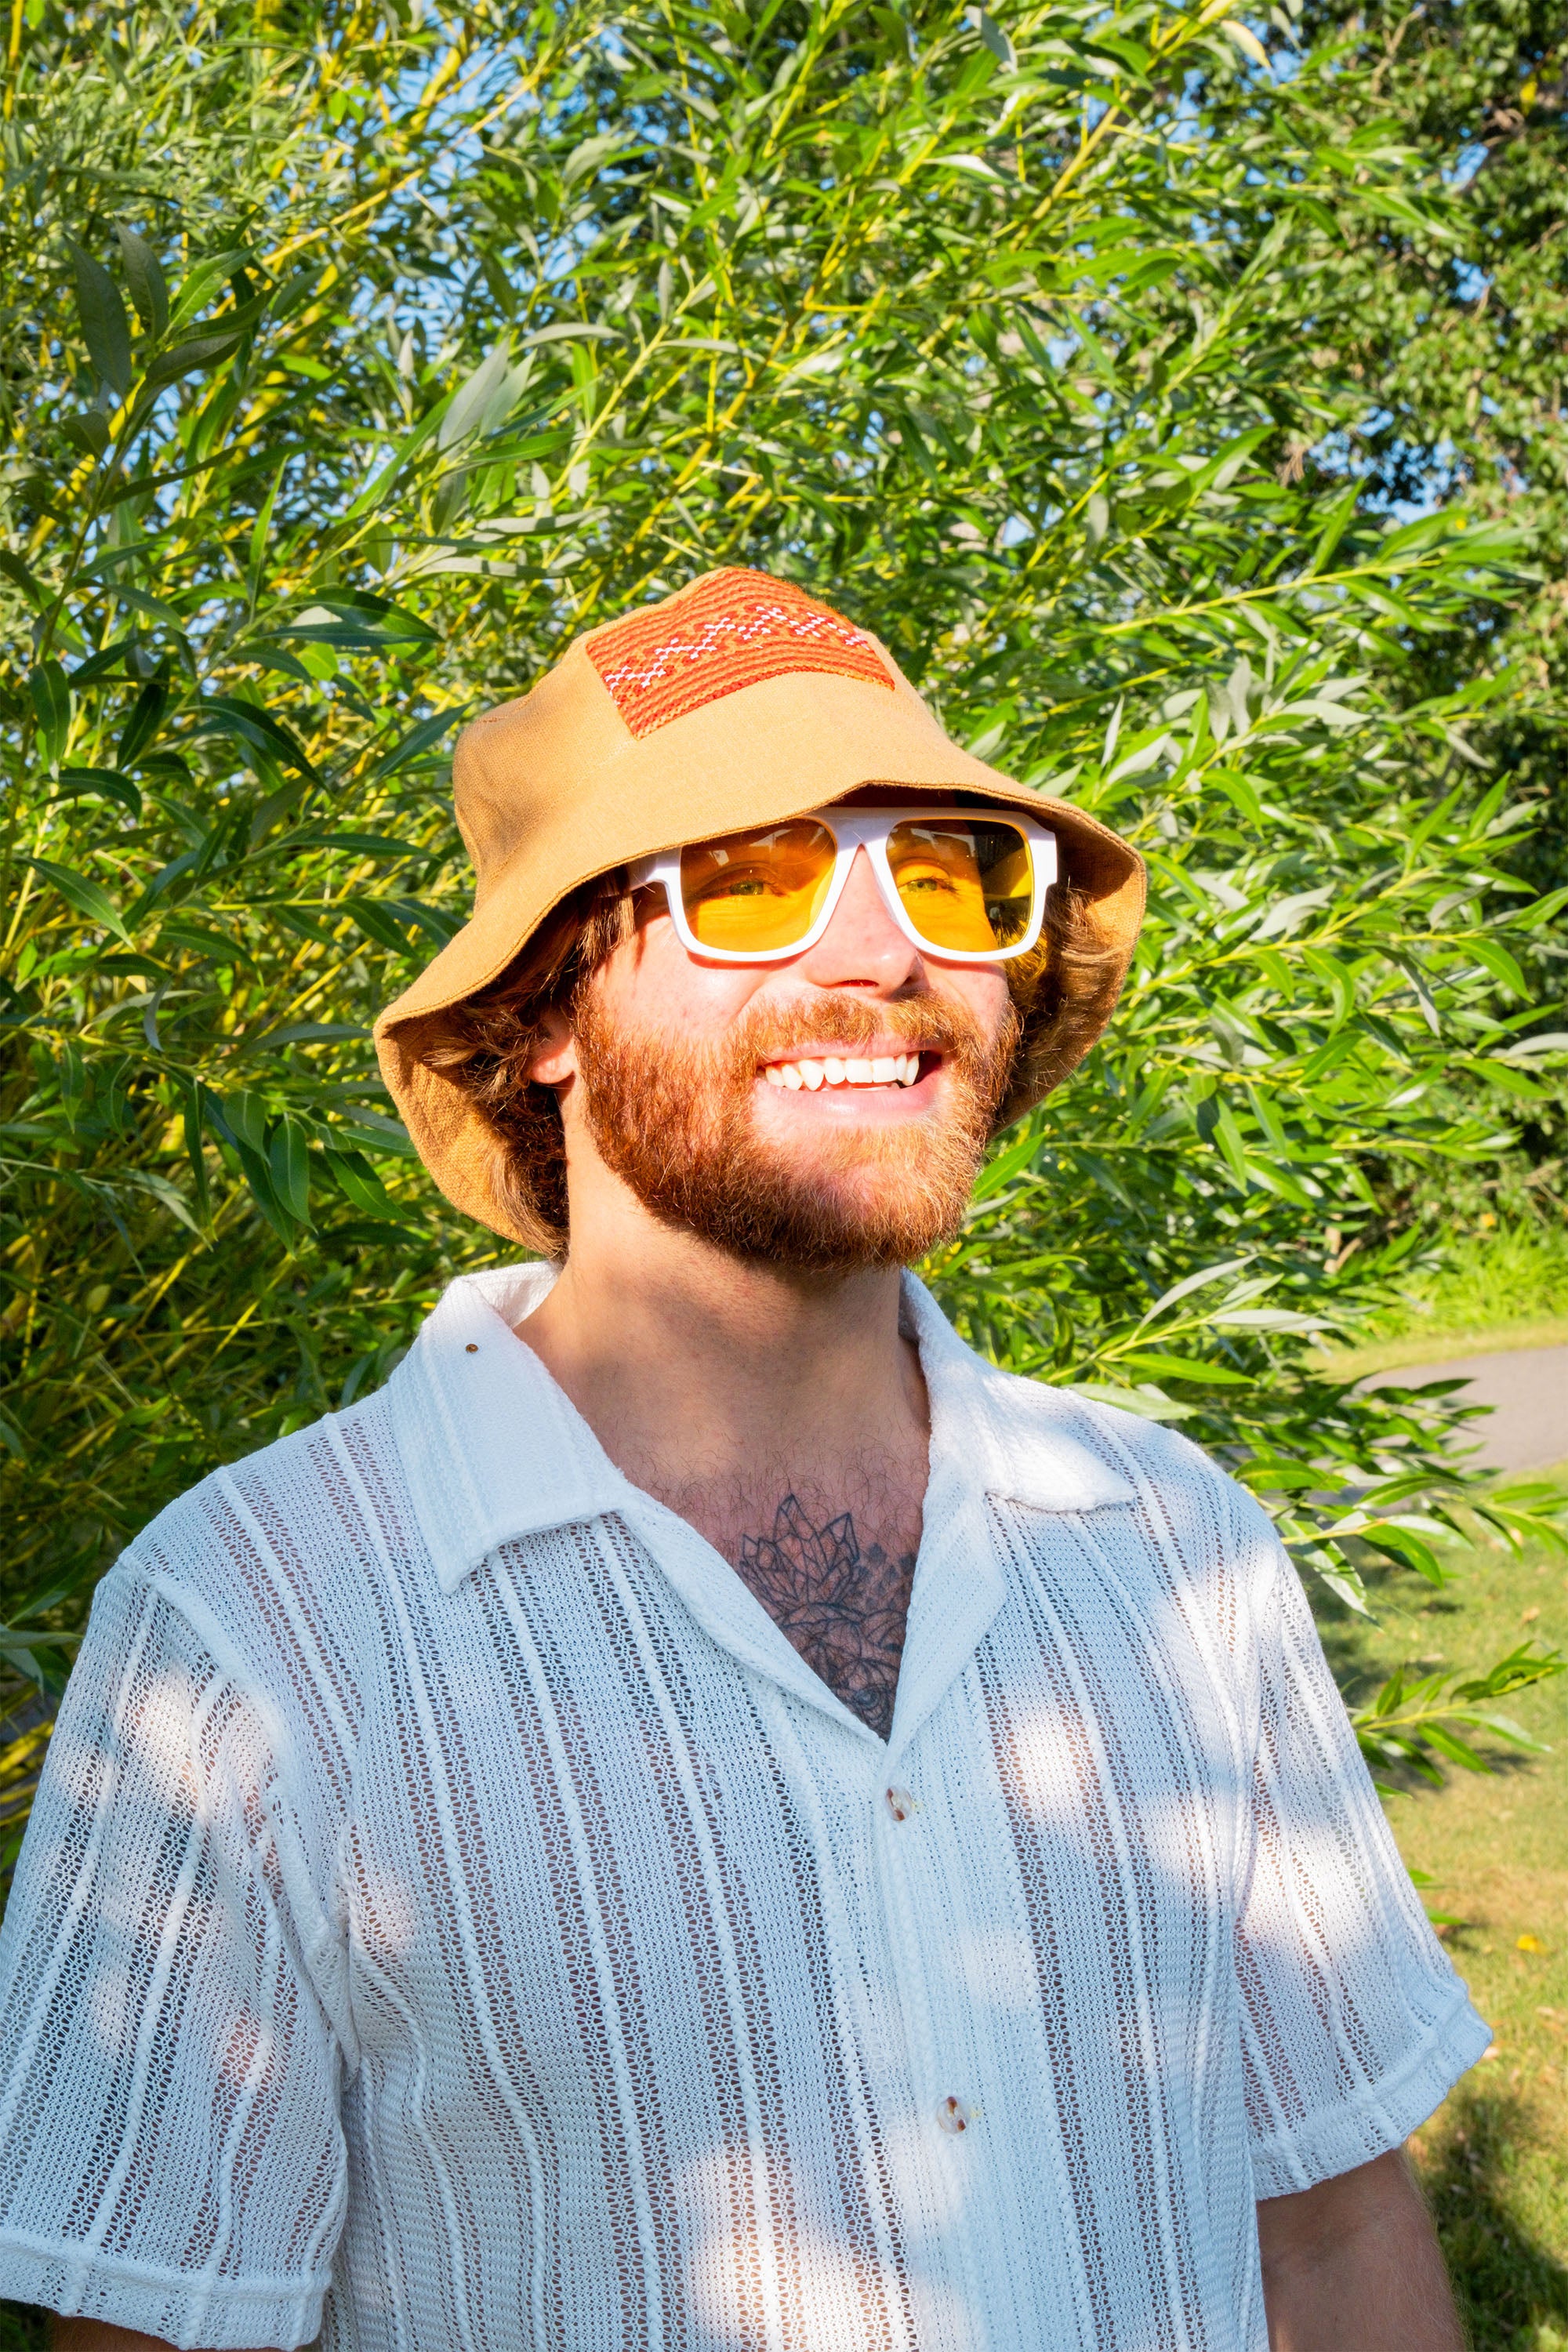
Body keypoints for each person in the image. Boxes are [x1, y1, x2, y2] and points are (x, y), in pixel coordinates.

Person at [0, 568, 1484, 2352]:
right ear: (543, 1017)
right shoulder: (254, 1627)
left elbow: (1322, 2233)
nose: (880, 956)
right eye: (752, 880)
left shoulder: (1179, 1553)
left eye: (944, 874)